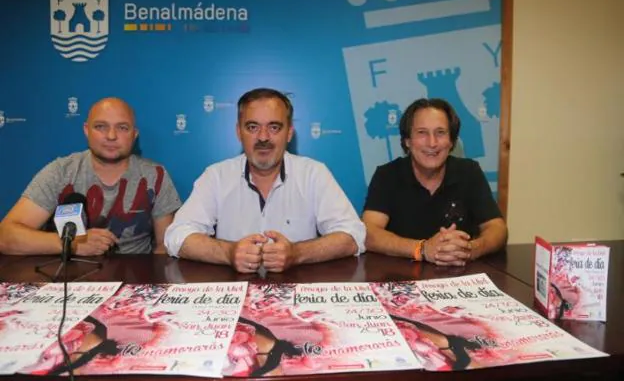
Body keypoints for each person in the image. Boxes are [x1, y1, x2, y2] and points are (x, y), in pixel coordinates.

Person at [164, 87, 365, 273]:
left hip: (296, 296)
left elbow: (353, 235)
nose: (263, 137)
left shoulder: (314, 173)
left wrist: (297, 253)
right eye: (252, 127)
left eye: (274, 127)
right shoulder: (216, 176)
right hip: (233, 295)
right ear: (238, 132)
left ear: (289, 133)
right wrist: (228, 252)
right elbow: (176, 236)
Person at [0, 97, 181, 256]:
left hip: (135, 280)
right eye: (101, 127)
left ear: (134, 134)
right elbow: (5, 236)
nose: (111, 136)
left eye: (122, 128)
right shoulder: (61, 172)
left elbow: (164, 248)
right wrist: (71, 244)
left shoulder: (154, 175)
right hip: (70, 280)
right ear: (86, 130)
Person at [362, 98, 507, 266]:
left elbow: (497, 228)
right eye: (422, 133)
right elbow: (368, 232)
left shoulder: (469, 172)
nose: (432, 143)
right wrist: (422, 249)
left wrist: (470, 249)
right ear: (407, 141)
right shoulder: (387, 175)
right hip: (400, 277)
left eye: (440, 132)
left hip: (458, 276)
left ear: (451, 141)